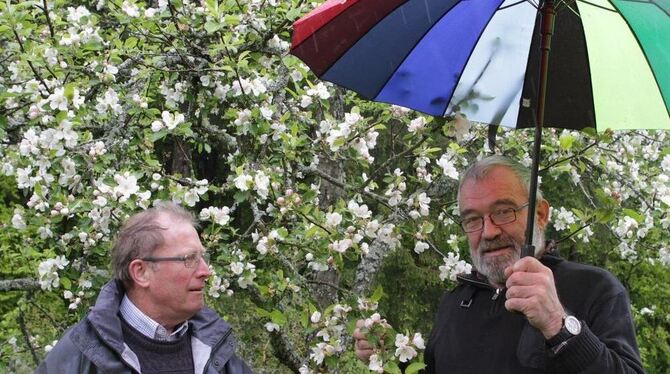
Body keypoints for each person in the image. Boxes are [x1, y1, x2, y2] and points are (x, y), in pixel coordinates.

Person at [354, 155, 644, 373]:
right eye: (472, 219)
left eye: (503, 212)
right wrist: (391, 356)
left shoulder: (594, 289)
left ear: (540, 214)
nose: (488, 231)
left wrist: (558, 325)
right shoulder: (456, 301)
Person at [36, 202, 252, 373]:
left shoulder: (216, 349)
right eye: (189, 258)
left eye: (203, 257)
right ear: (141, 272)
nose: (206, 271)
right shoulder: (80, 353)